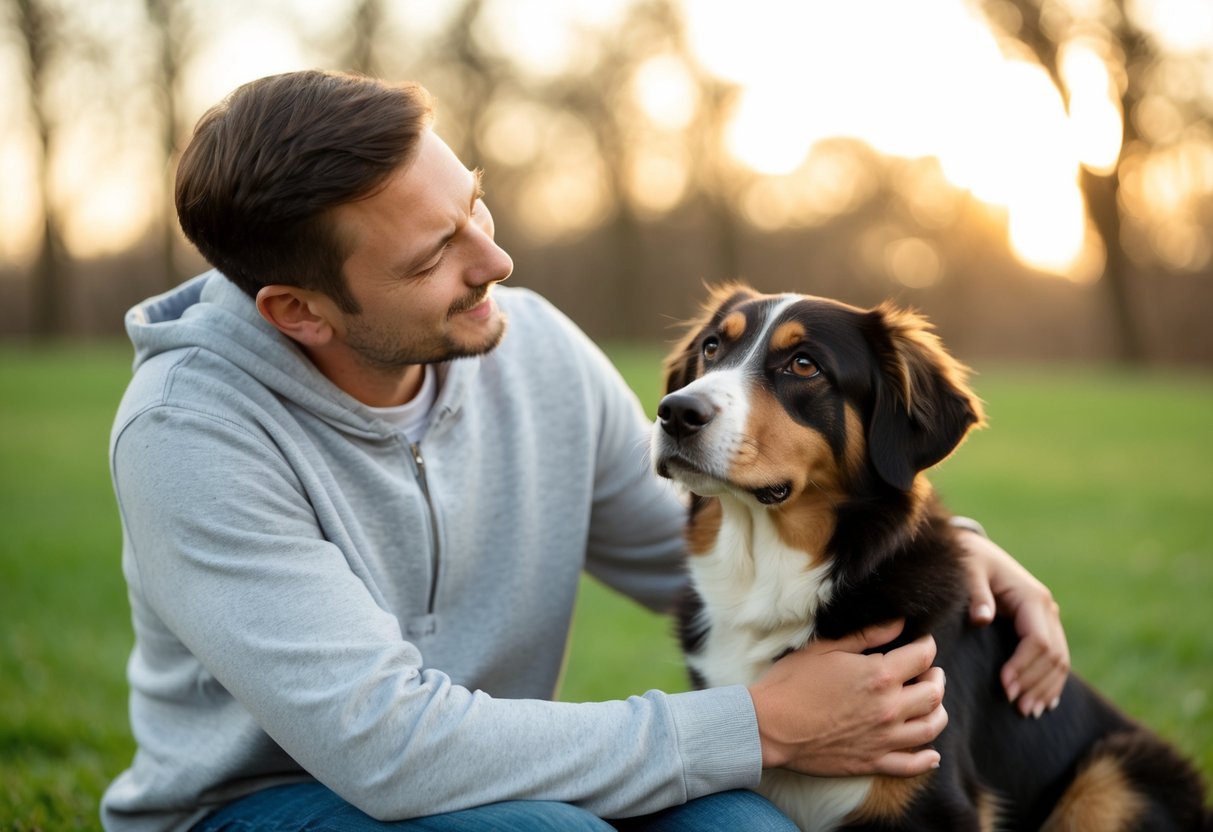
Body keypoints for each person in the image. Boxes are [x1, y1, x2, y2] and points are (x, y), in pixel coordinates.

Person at [101, 70, 1069, 832]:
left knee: (744, 827)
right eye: (432, 255)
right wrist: (760, 723)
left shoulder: (526, 345)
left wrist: (945, 557)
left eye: (471, 205)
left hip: (509, 780)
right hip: (263, 805)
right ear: (297, 312)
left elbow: (698, 542)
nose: (494, 262)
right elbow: (389, 747)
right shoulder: (188, 435)